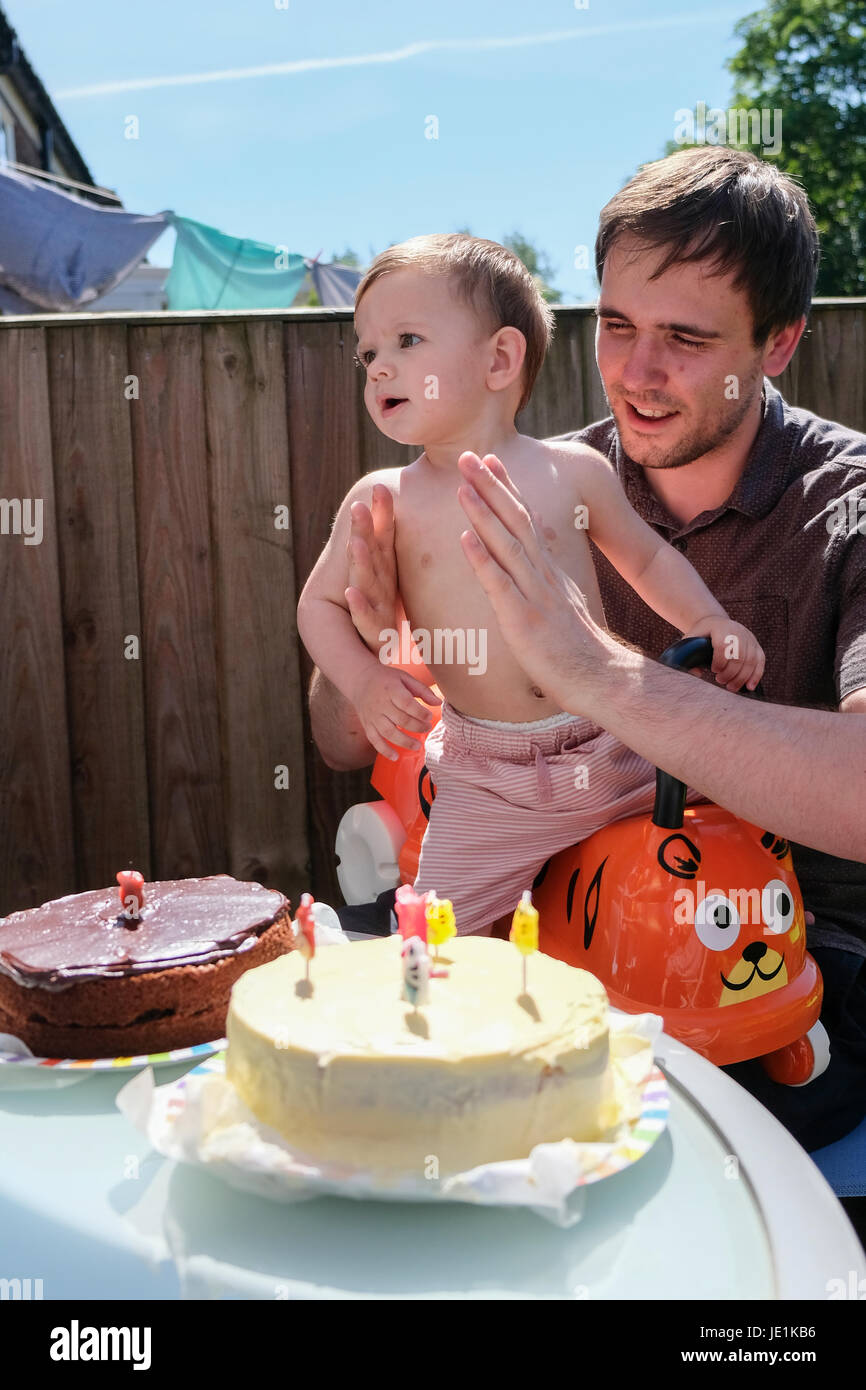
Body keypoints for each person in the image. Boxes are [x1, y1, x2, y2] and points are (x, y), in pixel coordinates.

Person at [309, 148, 866, 1151]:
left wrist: (594, 670)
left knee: (718, 1123)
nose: (636, 374)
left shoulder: (847, 505)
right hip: (555, 907)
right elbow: (344, 741)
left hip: (775, 939)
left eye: (685, 340)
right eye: (616, 326)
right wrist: (374, 643)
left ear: (776, 343)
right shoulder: (523, 475)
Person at [298, 231, 766, 936]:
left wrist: (709, 622)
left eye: (406, 341)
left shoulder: (572, 471)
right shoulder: (382, 496)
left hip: (613, 738)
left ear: (500, 359)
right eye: (368, 353)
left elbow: (648, 560)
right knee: (432, 942)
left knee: (746, 801)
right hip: (489, 779)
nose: (378, 368)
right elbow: (319, 606)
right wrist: (364, 680)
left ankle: (776, 952)